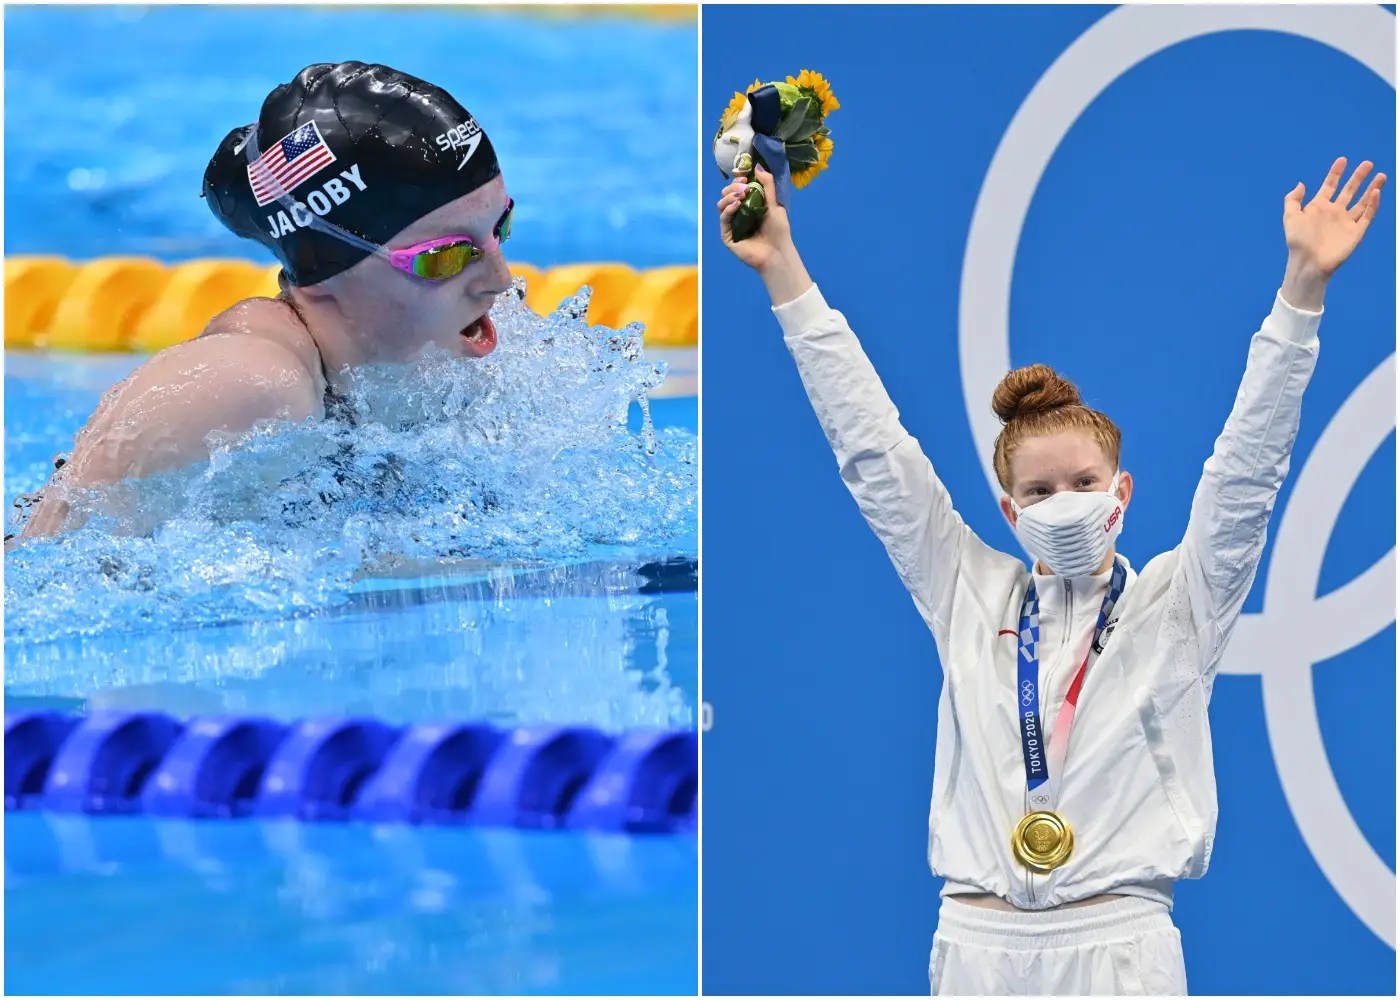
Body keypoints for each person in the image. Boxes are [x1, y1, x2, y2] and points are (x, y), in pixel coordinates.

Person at [718, 156, 1385, 996]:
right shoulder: (966, 587)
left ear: (1122, 493)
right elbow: (874, 453)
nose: (1063, 504)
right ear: (1009, 512)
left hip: (1120, 950)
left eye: (1083, 484)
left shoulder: (1180, 605)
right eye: (1039, 490)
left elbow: (1246, 471)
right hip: (976, 946)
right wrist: (784, 269)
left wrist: (1301, 293)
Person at [12, 61, 514, 542]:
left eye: (501, 229)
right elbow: (34, 580)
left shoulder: (392, 375)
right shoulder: (247, 387)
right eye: (445, 257)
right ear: (325, 267)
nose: (499, 278)